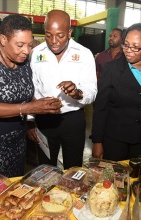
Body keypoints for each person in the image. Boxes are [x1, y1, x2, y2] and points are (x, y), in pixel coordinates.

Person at [0, 14, 62, 177]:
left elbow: (23, 94)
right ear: (4, 40)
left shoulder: (22, 61)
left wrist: (41, 105)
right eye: (20, 45)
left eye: (29, 45)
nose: (26, 51)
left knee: (13, 186)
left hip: (17, 137)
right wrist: (30, 107)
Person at [27, 10, 97, 169]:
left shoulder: (84, 54)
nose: (53, 41)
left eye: (60, 35)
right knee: (45, 169)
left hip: (73, 120)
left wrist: (78, 93)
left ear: (70, 32)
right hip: (44, 119)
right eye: (48, 35)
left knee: (73, 169)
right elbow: (33, 89)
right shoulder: (36, 53)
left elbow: (92, 90)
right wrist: (30, 121)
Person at [91, 23, 141, 160]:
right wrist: (97, 141)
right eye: (126, 45)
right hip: (114, 139)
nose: (128, 50)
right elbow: (101, 108)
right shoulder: (111, 69)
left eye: (135, 47)